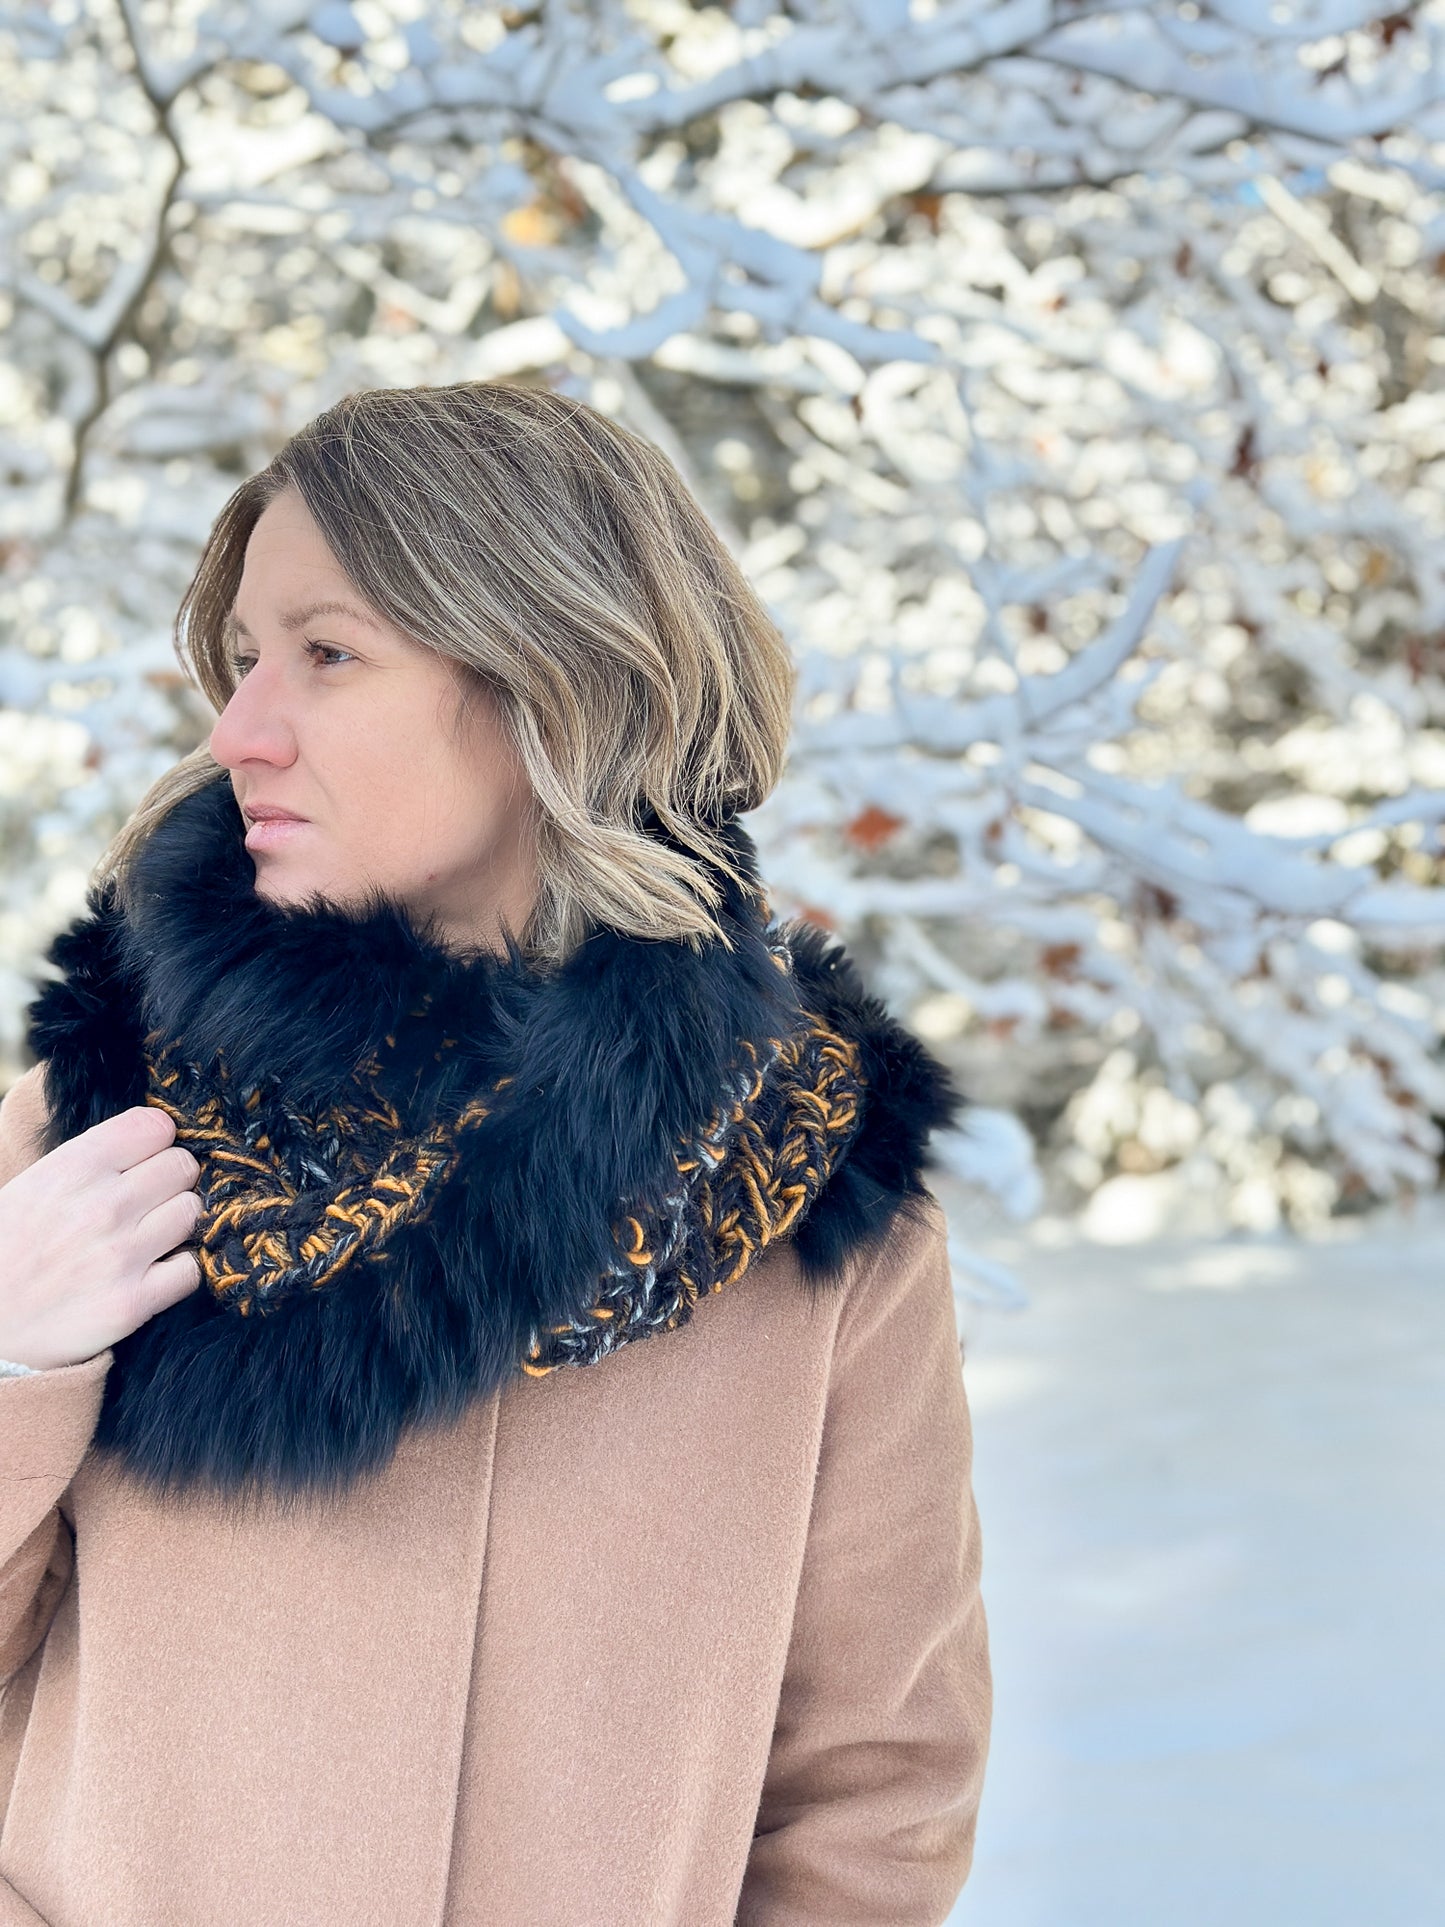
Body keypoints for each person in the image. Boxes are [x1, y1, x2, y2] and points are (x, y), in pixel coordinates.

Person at [0, 380, 992, 1924]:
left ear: (556, 684)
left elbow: (872, 1784)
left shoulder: (802, 1185)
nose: (239, 730)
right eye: (247, 658)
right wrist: (13, 1375)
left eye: (327, 656)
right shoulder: (98, 1134)